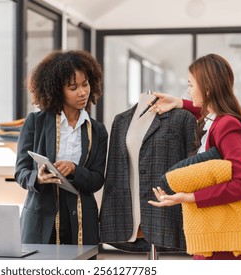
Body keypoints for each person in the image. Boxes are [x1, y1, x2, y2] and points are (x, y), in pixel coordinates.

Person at [147, 53, 241, 260]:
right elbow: (205, 111)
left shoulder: (227, 125)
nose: (188, 90)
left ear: (208, 88)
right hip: (218, 229)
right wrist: (179, 102)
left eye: (191, 84)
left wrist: (189, 197)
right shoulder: (218, 119)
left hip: (226, 234)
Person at [14, 50, 108, 245]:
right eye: (73, 87)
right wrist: (37, 178)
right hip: (40, 219)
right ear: (57, 90)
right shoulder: (35, 122)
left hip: (81, 220)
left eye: (85, 84)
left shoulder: (97, 130)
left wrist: (75, 169)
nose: (83, 92)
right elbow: (21, 172)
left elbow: (97, 179)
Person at [99, 91, 197, 254]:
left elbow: (192, 169)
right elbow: (114, 172)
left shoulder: (182, 118)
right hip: (129, 209)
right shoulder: (121, 121)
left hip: (166, 209)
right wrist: (109, 216)